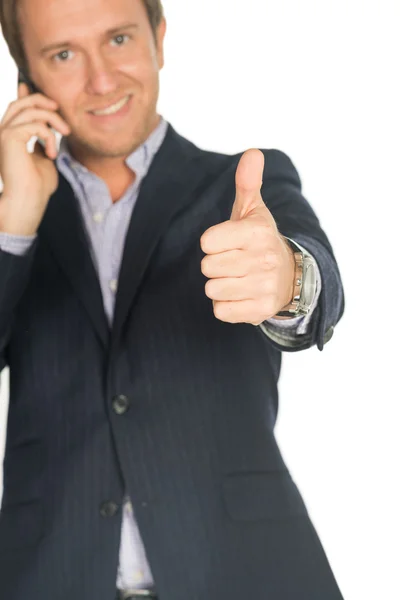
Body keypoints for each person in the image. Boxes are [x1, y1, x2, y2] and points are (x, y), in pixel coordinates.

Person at [0, 0, 345, 598]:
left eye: (119, 39)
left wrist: (289, 280)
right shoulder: (15, 221)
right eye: (62, 54)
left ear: (159, 37)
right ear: (26, 78)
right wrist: (15, 224)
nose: (102, 79)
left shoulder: (240, 186)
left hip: (246, 575)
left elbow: (319, 285)